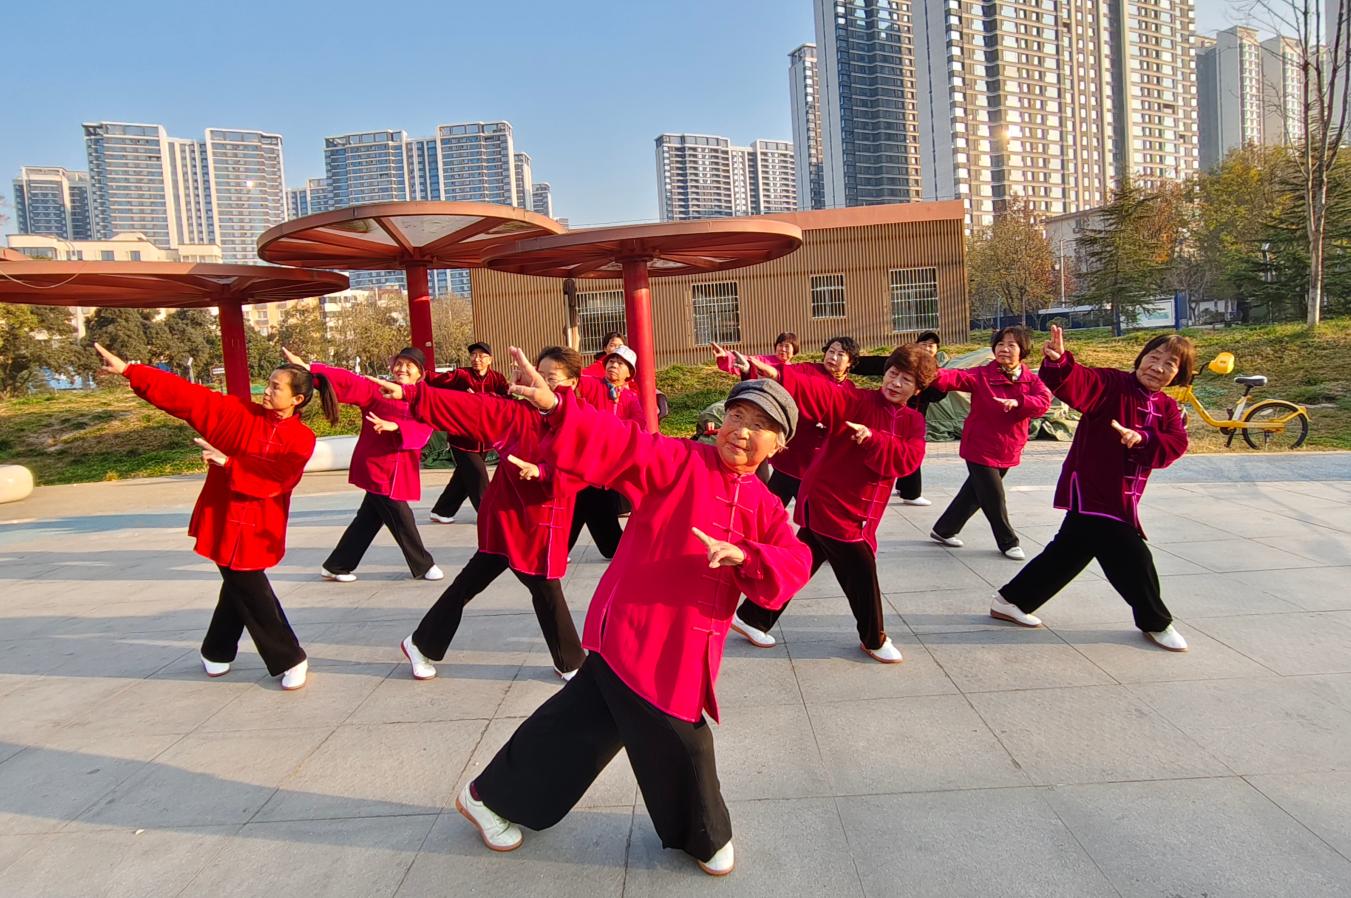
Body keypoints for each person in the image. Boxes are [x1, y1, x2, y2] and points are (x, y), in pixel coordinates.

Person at [453, 351, 811, 877]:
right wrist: (557, 407)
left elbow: (795, 561)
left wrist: (747, 556)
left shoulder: (763, 503)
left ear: (779, 444)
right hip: (642, 634)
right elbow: (621, 442)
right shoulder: (680, 460)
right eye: (736, 415)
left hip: (686, 642)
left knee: (581, 725)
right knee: (683, 738)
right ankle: (704, 835)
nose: (741, 430)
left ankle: (489, 797)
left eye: (759, 425)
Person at [93, 342, 337, 691]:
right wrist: (131, 371)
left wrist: (230, 464)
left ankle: (217, 650)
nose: (267, 391)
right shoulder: (239, 413)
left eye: (275, 387)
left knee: (244, 586)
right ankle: (288, 657)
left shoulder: (301, 438)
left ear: (297, 399)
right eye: (268, 384)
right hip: (222, 515)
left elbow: (280, 478)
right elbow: (189, 396)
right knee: (249, 588)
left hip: (260, 523)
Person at [373, 347, 589, 681]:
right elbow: (469, 406)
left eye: (551, 378)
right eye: (538, 376)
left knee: (474, 584)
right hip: (511, 519)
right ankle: (571, 662)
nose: (542, 384)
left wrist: (543, 472)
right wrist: (413, 394)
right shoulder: (516, 413)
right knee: (545, 586)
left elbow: (585, 464)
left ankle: (421, 643)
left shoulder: (580, 420)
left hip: (541, 520)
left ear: (572, 383)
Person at [990, 326, 1194, 652]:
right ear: (1141, 358)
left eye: (1169, 364)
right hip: (1092, 488)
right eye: (1154, 357)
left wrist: (1143, 438)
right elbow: (1078, 383)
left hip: (1123, 496)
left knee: (1069, 552)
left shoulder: (1168, 408)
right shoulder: (1112, 384)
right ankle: (1155, 621)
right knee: (1132, 556)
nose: (1157, 367)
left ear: (1179, 373)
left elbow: (1175, 444)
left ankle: (1011, 601)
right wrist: (1059, 362)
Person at [733, 345, 934, 660]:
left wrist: (874, 438)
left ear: (918, 389)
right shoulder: (857, 400)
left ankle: (754, 617)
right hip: (833, 504)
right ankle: (874, 639)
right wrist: (777, 374)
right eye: (893, 373)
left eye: (906, 380)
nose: (895, 383)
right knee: (861, 574)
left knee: (801, 563)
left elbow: (909, 459)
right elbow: (821, 393)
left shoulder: (913, 421)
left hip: (857, 511)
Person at [280, 347, 443, 584]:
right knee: (401, 516)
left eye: (409, 365)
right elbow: (349, 381)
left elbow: (427, 427)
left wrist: (397, 427)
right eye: (399, 364)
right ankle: (423, 564)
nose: (402, 369)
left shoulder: (424, 398)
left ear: (420, 372)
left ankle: (337, 565)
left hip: (400, 469)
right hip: (377, 468)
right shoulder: (378, 391)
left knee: (368, 519)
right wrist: (309, 369)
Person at [928, 326, 1053, 560]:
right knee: (993, 497)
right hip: (979, 447)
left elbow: (1043, 402)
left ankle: (944, 529)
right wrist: (927, 370)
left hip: (1008, 447)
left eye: (1011, 345)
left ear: (1023, 350)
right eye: (1000, 344)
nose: (1004, 349)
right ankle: (1008, 542)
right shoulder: (982, 375)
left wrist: (1019, 402)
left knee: (975, 492)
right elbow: (955, 377)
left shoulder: (1031, 380)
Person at [728, 336, 859, 507]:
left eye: (840, 354)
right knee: (768, 510)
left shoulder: (850, 390)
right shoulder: (806, 370)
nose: (833, 357)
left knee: (811, 517)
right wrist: (749, 371)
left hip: (818, 467)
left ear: (850, 362)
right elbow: (778, 379)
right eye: (831, 351)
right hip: (790, 459)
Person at [568, 344, 648, 558]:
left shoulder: (630, 398)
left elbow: (639, 426)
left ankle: (614, 548)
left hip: (607, 467)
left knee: (589, 508)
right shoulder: (591, 384)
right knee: (583, 505)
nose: (613, 365)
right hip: (583, 461)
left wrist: (614, 433)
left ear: (629, 373)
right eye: (611, 361)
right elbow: (571, 382)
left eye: (620, 363)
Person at [851, 332, 945, 506]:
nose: (896, 382)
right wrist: (849, 362)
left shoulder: (936, 374)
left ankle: (909, 491)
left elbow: (938, 394)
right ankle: (910, 492)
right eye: (923, 344)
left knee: (907, 453)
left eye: (931, 345)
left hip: (911, 420)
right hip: (887, 419)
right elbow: (873, 364)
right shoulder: (901, 362)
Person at [426, 341, 508, 524]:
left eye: (481, 356)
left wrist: (485, 398)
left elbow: (507, 400)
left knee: (463, 477)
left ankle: (442, 511)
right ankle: (488, 514)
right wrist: (416, 373)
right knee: (478, 475)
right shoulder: (461, 376)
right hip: (461, 439)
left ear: (490, 359)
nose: (476, 359)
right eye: (473, 355)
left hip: (485, 439)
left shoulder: (497, 379)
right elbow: (435, 379)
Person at [710, 331, 799, 376]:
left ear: (794, 350)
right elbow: (745, 360)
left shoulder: (796, 370)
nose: (783, 349)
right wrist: (726, 355)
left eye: (787, 346)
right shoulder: (763, 361)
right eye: (780, 345)